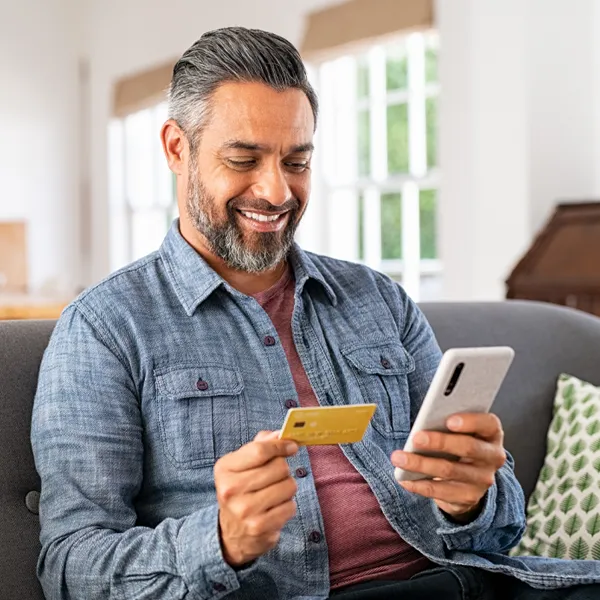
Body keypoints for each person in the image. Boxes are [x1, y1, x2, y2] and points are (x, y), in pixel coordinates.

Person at [31, 27, 600, 600]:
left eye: (297, 162)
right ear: (178, 148)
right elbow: (70, 566)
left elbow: (500, 529)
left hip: (460, 584)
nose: (276, 191)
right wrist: (219, 541)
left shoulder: (379, 300)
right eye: (244, 158)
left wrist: (472, 496)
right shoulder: (105, 329)